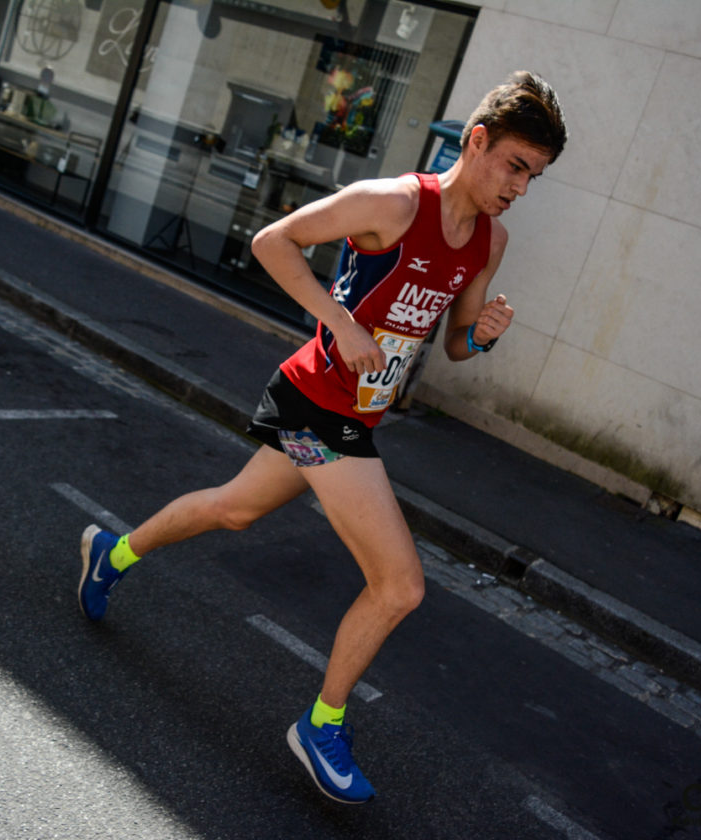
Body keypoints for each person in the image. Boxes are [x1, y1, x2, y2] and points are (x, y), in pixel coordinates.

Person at [78, 71, 567, 804]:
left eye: (535, 177)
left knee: (233, 509)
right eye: (516, 166)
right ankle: (321, 724)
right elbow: (272, 240)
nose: (521, 188)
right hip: (318, 406)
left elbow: (457, 345)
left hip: (356, 412)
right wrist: (337, 321)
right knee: (399, 584)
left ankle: (108, 555)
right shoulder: (394, 203)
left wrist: (484, 336)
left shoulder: (488, 242)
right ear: (477, 142)